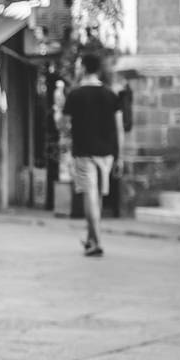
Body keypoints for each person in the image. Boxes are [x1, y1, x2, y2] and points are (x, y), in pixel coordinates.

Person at [61, 52, 123, 257]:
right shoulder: (110, 94)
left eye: (79, 65)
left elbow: (64, 125)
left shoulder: (75, 94)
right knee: (97, 197)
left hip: (84, 152)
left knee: (90, 196)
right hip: (106, 154)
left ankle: (96, 241)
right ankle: (90, 238)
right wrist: (119, 155)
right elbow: (119, 128)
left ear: (84, 68)